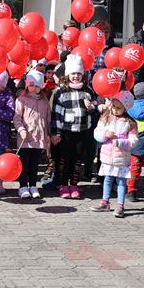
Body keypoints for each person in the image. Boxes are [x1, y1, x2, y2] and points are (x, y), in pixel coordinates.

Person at [50, 54, 97, 199]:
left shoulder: (87, 90)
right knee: (65, 158)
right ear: (67, 75)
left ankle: (74, 184)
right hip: (66, 131)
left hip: (82, 130)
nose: (76, 76)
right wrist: (56, 133)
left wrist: (91, 107)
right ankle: (64, 184)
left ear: (82, 75)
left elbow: (95, 105)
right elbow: (56, 114)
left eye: (78, 73)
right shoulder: (61, 91)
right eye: (73, 74)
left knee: (78, 158)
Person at [92, 92, 138, 218]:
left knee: (121, 182)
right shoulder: (106, 118)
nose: (115, 110)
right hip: (107, 157)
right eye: (113, 106)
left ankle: (120, 205)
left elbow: (134, 141)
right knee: (107, 179)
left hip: (121, 158)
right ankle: (105, 202)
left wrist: (121, 142)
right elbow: (97, 133)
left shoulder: (130, 123)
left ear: (126, 108)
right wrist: (104, 135)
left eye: (119, 108)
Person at [13, 69, 52, 199]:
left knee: (34, 163)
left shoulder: (44, 101)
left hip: (39, 137)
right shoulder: (21, 99)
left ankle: (33, 185)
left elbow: (47, 118)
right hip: (25, 137)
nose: (33, 88)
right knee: (24, 163)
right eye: (30, 85)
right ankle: (23, 186)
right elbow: (17, 117)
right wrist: (21, 130)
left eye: (36, 86)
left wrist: (48, 134)